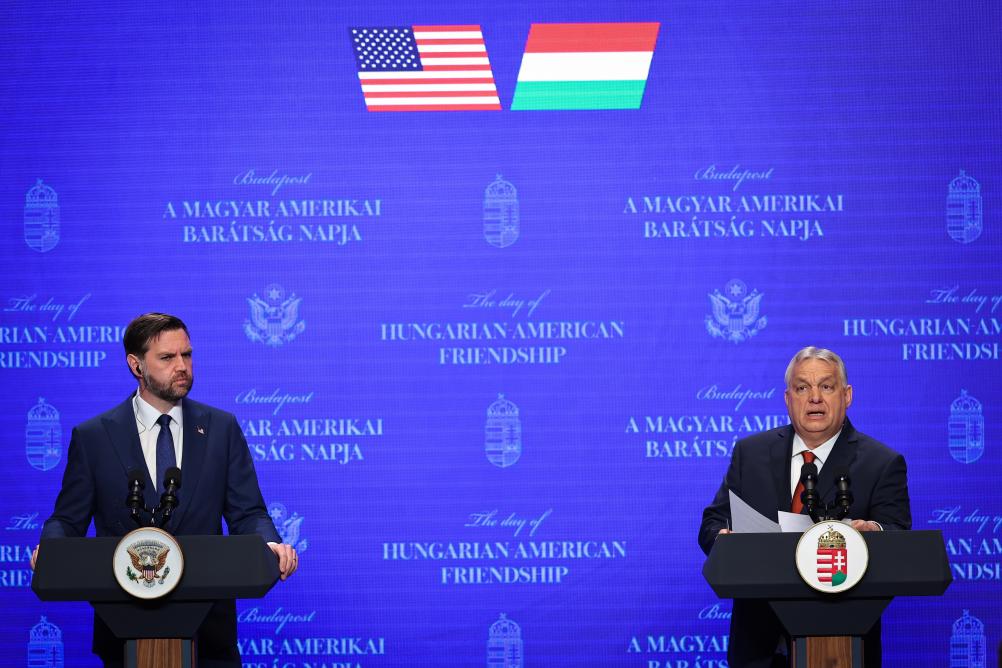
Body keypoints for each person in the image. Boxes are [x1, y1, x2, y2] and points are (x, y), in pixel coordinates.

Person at [33, 313, 298, 667]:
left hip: (209, 635)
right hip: (124, 629)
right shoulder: (94, 437)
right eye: (167, 357)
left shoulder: (221, 429)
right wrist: (51, 550)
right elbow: (67, 519)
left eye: (186, 355)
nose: (182, 366)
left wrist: (269, 543)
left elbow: (248, 512)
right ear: (136, 365)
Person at [699, 346, 910, 668]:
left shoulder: (881, 463)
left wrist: (874, 532)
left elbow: (899, 537)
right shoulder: (751, 453)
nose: (814, 398)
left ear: (847, 395)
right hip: (758, 646)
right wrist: (725, 541)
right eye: (802, 388)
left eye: (826, 386)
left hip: (842, 645)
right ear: (788, 399)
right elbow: (713, 521)